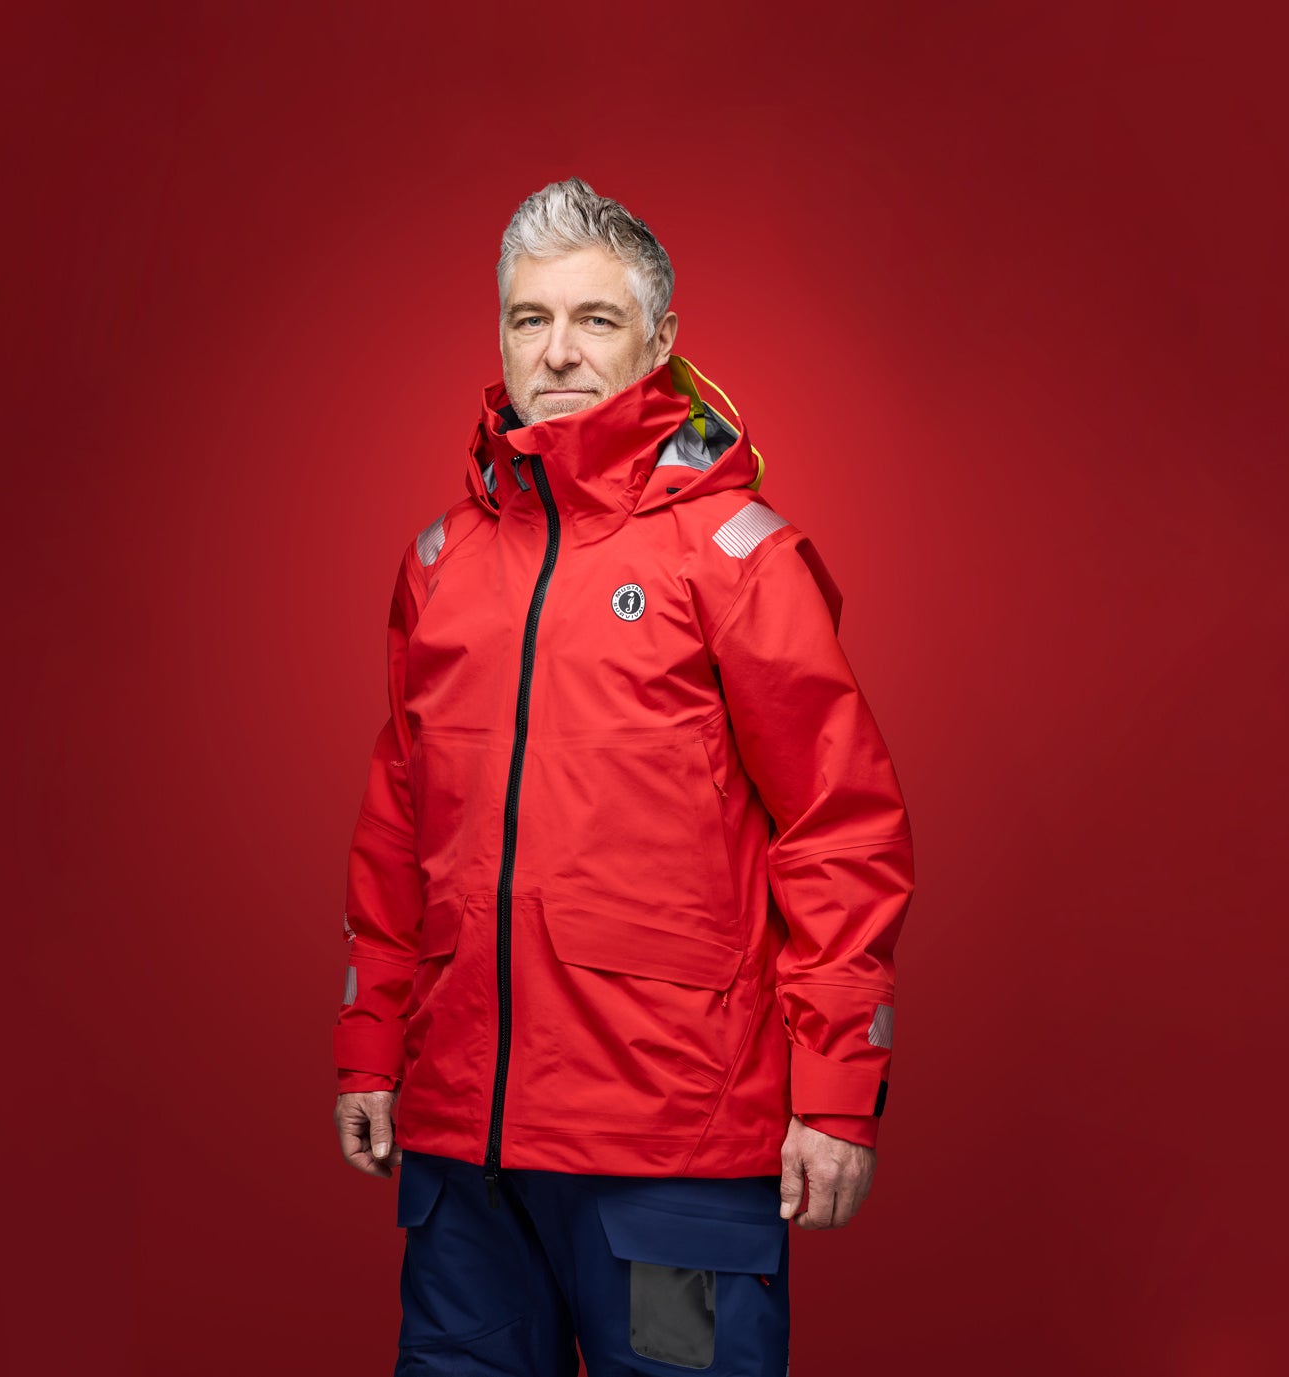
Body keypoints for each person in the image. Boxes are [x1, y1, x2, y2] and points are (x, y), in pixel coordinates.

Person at [331, 175, 915, 1376]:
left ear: (657, 343)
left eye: (594, 319)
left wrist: (834, 1093)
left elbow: (839, 830)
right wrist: (368, 1047)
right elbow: (397, 830)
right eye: (529, 318)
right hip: (466, 1165)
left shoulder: (737, 559)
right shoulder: (440, 565)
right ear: (500, 338)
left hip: (674, 1164)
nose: (557, 350)